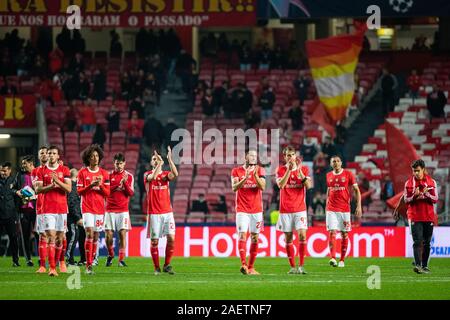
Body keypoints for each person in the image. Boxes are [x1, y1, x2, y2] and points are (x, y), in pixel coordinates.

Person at [35, 146, 72, 276]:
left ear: (58, 156)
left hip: (62, 209)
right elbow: (38, 190)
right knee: (51, 237)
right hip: (47, 209)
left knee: (60, 239)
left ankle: (57, 262)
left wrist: (57, 181)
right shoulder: (41, 171)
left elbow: (68, 189)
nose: (50, 155)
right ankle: (51, 268)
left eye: (53, 153)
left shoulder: (64, 169)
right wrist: (51, 185)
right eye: (49, 153)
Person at [276, 146, 312, 274]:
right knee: (289, 238)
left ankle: (301, 266)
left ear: (295, 156)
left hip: (300, 209)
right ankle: (292, 267)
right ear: (284, 157)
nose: (290, 157)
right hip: (285, 209)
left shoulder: (304, 169)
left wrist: (299, 173)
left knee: (302, 236)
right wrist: (289, 171)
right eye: (288, 155)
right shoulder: (280, 170)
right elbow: (281, 185)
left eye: (292, 154)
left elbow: (308, 186)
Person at [144, 147, 179, 275]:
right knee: (155, 241)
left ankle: (167, 265)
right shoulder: (147, 174)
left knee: (171, 238)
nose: (156, 160)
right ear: (151, 162)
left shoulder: (165, 175)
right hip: (154, 213)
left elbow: (175, 174)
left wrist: (169, 159)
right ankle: (156, 267)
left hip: (167, 213)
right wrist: (160, 163)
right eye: (154, 159)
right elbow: (153, 177)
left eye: (158, 158)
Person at [77, 144, 110, 275]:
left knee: (96, 236)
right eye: (92, 156)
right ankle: (88, 265)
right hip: (87, 208)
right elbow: (79, 191)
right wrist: (90, 185)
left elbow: (107, 193)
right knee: (89, 233)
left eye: (97, 156)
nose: (95, 158)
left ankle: (92, 259)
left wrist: (100, 185)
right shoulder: (82, 172)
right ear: (88, 158)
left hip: (100, 209)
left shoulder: (104, 173)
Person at [231, 149, 266, 275]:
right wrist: (244, 179)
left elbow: (263, 187)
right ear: (245, 156)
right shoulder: (236, 171)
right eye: (251, 155)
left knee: (255, 237)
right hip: (242, 209)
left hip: (257, 210)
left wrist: (255, 176)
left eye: (255, 156)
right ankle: (244, 265)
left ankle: (251, 267)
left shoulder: (260, 170)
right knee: (242, 235)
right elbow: (234, 187)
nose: (253, 157)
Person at [400, 159, 438, 274]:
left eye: (417, 171)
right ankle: (418, 265)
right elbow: (406, 200)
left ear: (423, 169)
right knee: (417, 241)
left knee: (426, 242)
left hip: (428, 216)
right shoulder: (409, 183)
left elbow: (435, 199)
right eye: (413, 171)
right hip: (415, 216)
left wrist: (426, 194)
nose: (415, 173)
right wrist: (414, 196)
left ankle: (425, 266)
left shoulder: (432, 182)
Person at [326, 156, 362, 268]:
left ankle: (342, 260)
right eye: (334, 161)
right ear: (331, 164)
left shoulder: (348, 174)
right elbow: (329, 190)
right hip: (331, 208)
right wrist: (326, 204)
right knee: (332, 232)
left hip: (345, 209)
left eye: (337, 161)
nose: (336, 163)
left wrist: (358, 206)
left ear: (341, 163)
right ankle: (332, 258)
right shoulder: (328, 175)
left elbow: (357, 190)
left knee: (344, 233)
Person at [105, 153, 134, 267]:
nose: (119, 166)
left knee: (122, 234)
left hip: (123, 210)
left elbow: (131, 193)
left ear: (124, 163)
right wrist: (117, 185)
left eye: (121, 163)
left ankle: (121, 260)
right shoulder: (108, 175)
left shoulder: (129, 176)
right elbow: (105, 191)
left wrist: (125, 183)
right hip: (110, 210)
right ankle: (111, 254)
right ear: (114, 164)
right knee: (109, 236)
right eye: (117, 164)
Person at [0, 162, 21, 267]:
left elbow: (18, 197)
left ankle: (15, 261)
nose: (2, 172)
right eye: (1, 170)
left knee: (13, 238)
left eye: (4, 170)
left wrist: (16, 213)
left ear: (9, 170)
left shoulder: (14, 181)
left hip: (11, 215)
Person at [18, 155, 37, 267]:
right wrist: (18, 192)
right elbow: (14, 188)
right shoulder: (20, 175)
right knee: (25, 235)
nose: (23, 165)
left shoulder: (38, 173)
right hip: (24, 210)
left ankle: (41, 257)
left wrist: (35, 196)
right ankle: (28, 259)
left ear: (31, 163)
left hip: (37, 209)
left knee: (39, 233)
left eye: (24, 163)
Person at [66, 168, 83, 266]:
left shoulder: (73, 185)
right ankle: (69, 259)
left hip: (72, 216)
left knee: (74, 237)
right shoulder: (73, 186)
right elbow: (72, 203)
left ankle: (70, 259)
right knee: (73, 237)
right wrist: (77, 217)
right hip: (71, 218)